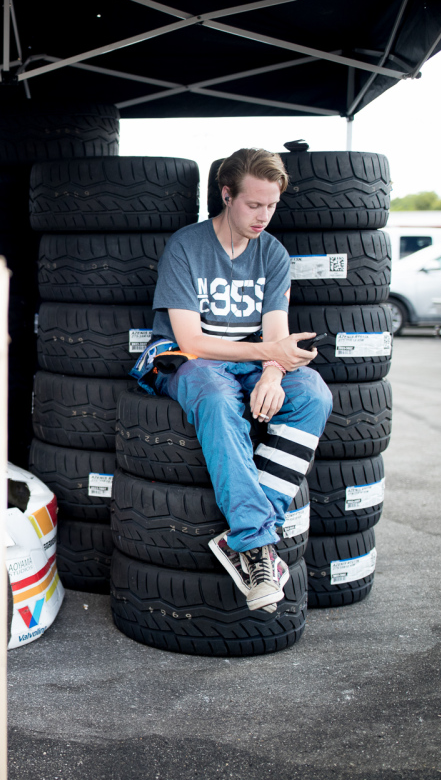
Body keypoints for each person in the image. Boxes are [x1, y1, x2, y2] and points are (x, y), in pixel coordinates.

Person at [132, 148, 333, 611]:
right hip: (190, 359)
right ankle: (255, 542)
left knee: (313, 394)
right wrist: (270, 355)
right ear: (227, 195)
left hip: (250, 358)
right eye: (253, 204)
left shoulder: (273, 252)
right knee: (219, 397)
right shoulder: (186, 246)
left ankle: (251, 540)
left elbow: (276, 329)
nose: (263, 216)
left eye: (272, 206)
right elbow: (192, 339)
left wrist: (272, 374)